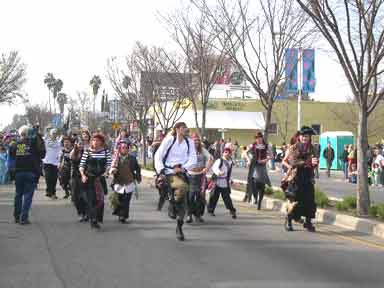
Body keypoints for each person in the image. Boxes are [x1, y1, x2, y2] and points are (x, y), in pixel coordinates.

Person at [154, 122, 197, 241]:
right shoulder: (169, 140)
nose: (186, 129)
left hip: (182, 171)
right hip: (169, 171)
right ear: (177, 129)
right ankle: (172, 204)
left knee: (183, 201)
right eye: (183, 127)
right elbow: (158, 155)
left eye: (186, 127)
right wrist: (161, 170)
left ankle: (179, 227)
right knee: (182, 187)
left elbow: (193, 158)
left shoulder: (190, 142)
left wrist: (183, 167)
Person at [281, 126, 319, 232]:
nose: (304, 138)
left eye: (306, 136)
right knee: (293, 201)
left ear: (309, 137)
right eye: (303, 136)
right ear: (300, 136)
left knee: (309, 201)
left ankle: (308, 222)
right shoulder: (293, 147)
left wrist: (315, 163)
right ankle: (288, 220)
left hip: (308, 177)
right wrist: (307, 162)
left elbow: (315, 162)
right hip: (296, 177)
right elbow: (293, 162)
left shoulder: (313, 148)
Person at [10, 125, 46, 224]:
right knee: (28, 196)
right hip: (30, 172)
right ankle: (23, 218)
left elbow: (11, 155)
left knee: (18, 195)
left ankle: (17, 217)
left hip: (18, 172)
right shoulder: (33, 144)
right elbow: (43, 154)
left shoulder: (15, 144)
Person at [79, 133, 112, 229]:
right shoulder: (87, 152)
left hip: (100, 179)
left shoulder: (105, 152)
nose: (95, 142)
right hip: (89, 179)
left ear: (101, 142)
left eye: (97, 141)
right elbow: (81, 165)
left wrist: (106, 172)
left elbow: (109, 164)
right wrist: (83, 175)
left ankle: (97, 218)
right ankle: (93, 219)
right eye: (94, 140)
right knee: (92, 199)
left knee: (100, 200)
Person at [110, 141, 141, 223]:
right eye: (122, 148)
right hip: (118, 182)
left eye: (126, 148)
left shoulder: (132, 158)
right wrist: (112, 171)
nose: (124, 149)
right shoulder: (116, 158)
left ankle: (123, 216)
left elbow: (137, 168)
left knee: (126, 200)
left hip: (129, 182)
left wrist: (138, 177)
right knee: (119, 199)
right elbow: (111, 168)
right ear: (120, 149)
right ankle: (120, 213)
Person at [186, 133, 213, 224]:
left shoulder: (202, 150)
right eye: (194, 140)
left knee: (199, 197)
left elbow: (211, 158)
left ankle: (198, 215)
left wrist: (207, 168)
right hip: (190, 176)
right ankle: (189, 215)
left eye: (198, 140)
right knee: (190, 196)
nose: (196, 142)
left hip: (200, 176)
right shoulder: (188, 150)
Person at [207, 147, 237, 219]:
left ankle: (232, 211)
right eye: (225, 152)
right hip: (217, 181)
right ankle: (211, 210)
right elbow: (214, 168)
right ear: (223, 153)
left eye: (228, 152)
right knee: (214, 197)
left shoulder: (230, 162)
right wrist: (219, 172)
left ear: (230, 154)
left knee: (227, 198)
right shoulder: (219, 160)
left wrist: (231, 180)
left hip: (224, 182)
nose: (227, 154)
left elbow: (229, 173)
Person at [244, 132, 271, 209]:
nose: (258, 139)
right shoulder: (253, 145)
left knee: (262, 184)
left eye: (259, 137)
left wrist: (265, 160)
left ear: (262, 138)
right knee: (254, 182)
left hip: (262, 166)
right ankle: (255, 197)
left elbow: (271, 156)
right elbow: (245, 153)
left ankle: (259, 202)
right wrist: (248, 160)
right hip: (254, 165)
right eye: (256, 138)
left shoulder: (266, 145)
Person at [43, 129, 62, 199]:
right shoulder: (46, 141)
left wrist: (59, 162)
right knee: (48, 177)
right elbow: (41, 140)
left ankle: (53, 193)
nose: (54, 134)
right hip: (47, 162)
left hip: (55, 163)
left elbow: (60, 152)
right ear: (50, 134)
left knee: (54, 179)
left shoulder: (58, 142)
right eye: (53, 133)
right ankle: (48, 191)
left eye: (56, 133)